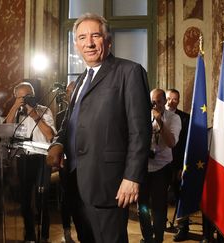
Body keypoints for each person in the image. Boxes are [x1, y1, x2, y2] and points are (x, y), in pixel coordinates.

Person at [46, 13, 152, 243]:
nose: (89, 43)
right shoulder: (80, 80)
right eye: (82, 37)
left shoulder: (129, 72)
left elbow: (140, 131)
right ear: (76, 45)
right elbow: (70, 123)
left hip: (108, 184)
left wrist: (132, 177)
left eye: (95, 35)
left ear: (108, 40)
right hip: (75, 183)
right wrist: (58, 143)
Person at [5, 82, 56, 243]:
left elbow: (50, 135)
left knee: (42, 199)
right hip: (23, 159)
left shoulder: (44, 110)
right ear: (16, 97)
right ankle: (29, 235)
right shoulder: (16, 113)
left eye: (29, 95)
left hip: (41, 158)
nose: (27, 99)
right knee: (25, 200)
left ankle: (44, 236)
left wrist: (35, 115)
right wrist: (15, 107)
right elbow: (5, 129)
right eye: (22, 97)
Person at [138, 88, 181, 243]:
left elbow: (171, 143)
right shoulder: (142, 116)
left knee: (158, 206)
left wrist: (159, 121)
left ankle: (159, 238)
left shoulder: (174, 119)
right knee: (142, 205)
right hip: (143, 166)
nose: (155, 105)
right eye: (152, 102)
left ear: (165, 101)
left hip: (162, 168)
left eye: (159, 101)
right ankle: (147, 236)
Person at [165, 89, 190, 241]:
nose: (171, 102)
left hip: (177, 164)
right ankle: (159, 225)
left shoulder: (186, 118)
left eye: (175, 99)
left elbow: (186, 145)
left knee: (181, 196)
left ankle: (183, 228)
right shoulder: (153, 114)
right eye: (168, 98)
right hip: (157, 164)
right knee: (159, 196)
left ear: (179, 101)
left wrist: (182, 166)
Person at [55, 81, 76, 243]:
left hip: (84, 164)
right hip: (66, 163)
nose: (68, 94)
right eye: (68, 91)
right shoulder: (60, 115)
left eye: (71, 91)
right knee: (66, 198)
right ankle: (67, 230)